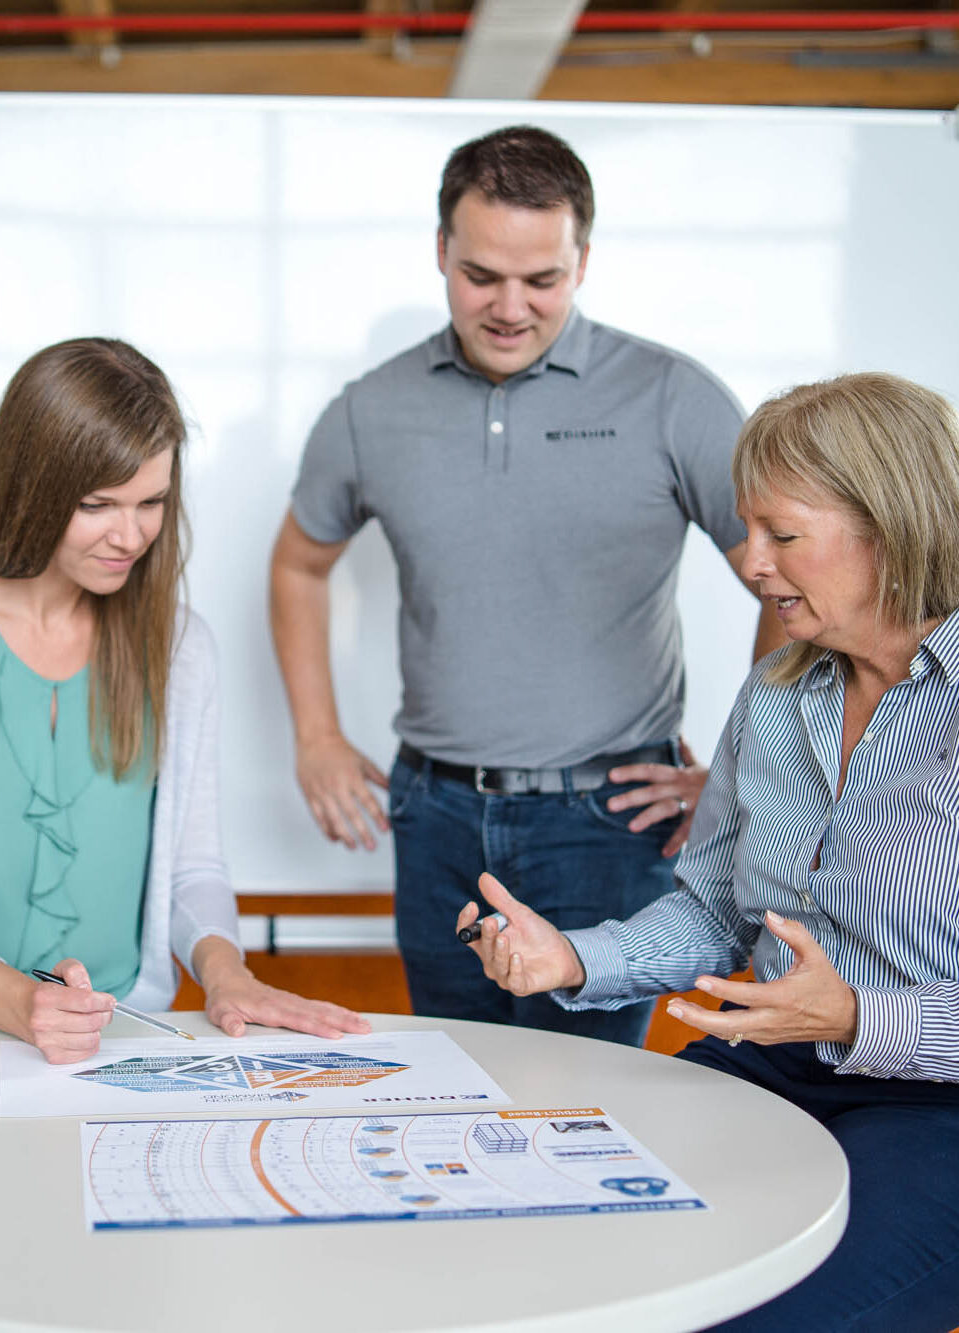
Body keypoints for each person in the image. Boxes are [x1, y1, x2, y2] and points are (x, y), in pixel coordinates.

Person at [461, 370, 959, 1329]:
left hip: (936, 1109)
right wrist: (573, 956)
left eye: (782, 534)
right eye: (748, 531)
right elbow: (716, 909)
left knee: (749, 1314)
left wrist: (856, 1013)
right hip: (767, 1065)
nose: (752, 563)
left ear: (887, 525)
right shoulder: (775, 691)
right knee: (539, 1246)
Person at [270, 124, 782, 1044]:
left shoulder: (673, 398)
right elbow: (299, 562)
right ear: (439, 252)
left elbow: (788, 580)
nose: (510, 306)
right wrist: (314, 735)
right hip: (433, 819)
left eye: (541, 279)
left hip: (607, 824)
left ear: (581, 260)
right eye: (480, 276)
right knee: (458, 1081)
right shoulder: (370, 409)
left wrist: (746, 772)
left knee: (581, 1112)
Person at [0, 338, 369, 1062]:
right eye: (97, 505)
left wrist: (225, 972)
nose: (131, 534)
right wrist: (19, 1002)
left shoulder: (181, 648)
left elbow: (192, 868)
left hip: (114, 1049)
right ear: (30, 486)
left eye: (151, 502)